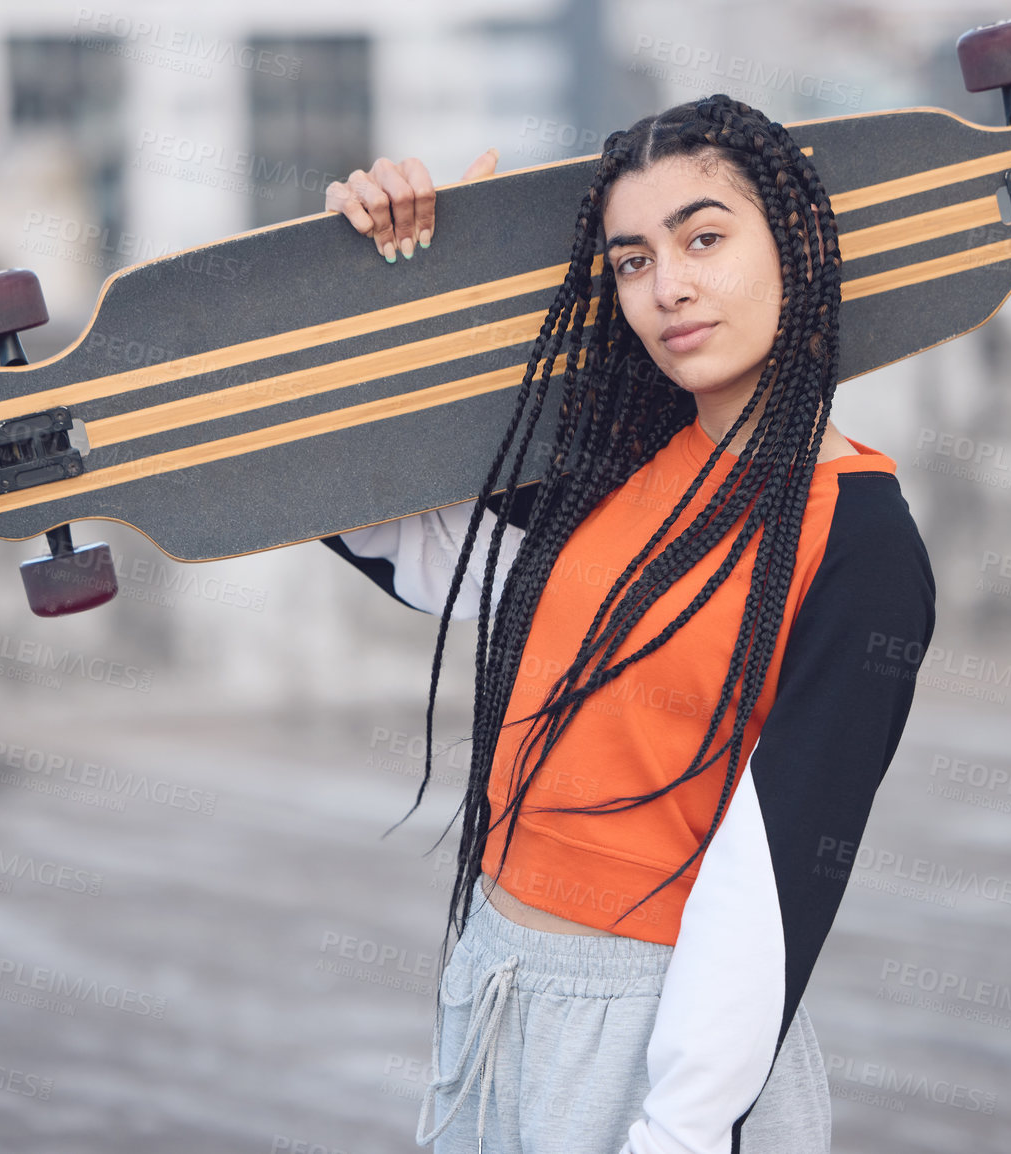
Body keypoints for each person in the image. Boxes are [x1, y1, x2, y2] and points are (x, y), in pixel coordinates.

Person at [320, 95, 936, 1154]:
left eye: (704, 238)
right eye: (633, 260)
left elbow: (771, 882)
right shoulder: (619, 465)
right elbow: (407, 545)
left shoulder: (860, 540)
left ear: (794, 246)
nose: (669, 287)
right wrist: (408, 281)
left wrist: (681, 1128)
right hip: (496, 983)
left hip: (659, 1038)